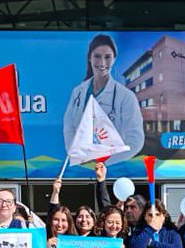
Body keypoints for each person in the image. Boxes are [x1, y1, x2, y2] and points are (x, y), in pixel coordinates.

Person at [62, 34, 145, 165]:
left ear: (114, 59)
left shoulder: (126, 97)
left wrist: (104, 162)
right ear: (89, 58)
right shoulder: (78, 92)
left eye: (108, 57)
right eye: (97, 56)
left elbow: (136, 141)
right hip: (81, 165)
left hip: (112, 168)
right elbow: (69, 126)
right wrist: (77, 156)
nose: (102, 63)